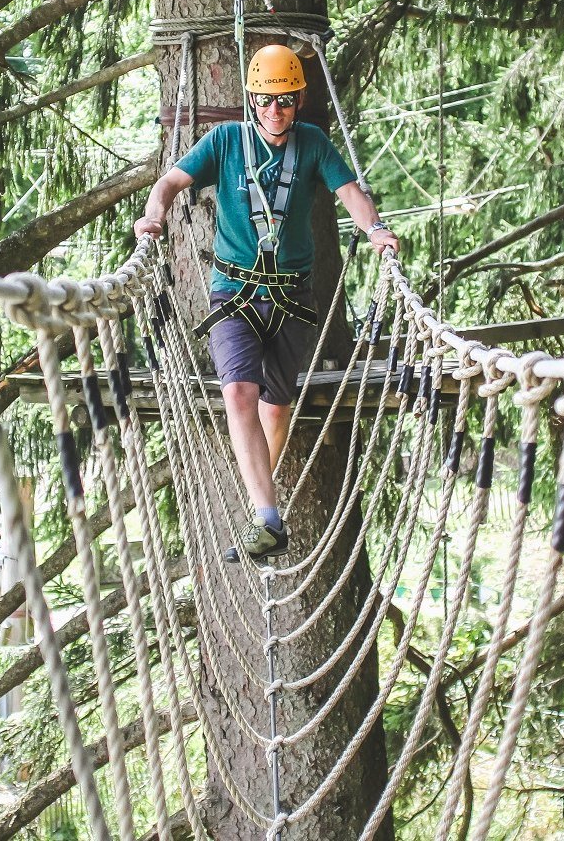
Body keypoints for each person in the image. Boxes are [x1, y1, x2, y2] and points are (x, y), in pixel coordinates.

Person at [135, 43, 399, 561]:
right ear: (251, 101)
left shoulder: (313, 144)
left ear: (297, 101)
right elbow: (170, 182)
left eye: (283, 101)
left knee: (275, 405)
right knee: (238, 393)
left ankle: (260, 496)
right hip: (233, 292)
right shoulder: (226, 141)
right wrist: (154, 216)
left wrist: (376, 230)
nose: (273, 110)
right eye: (263, 101)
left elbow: (351, 192)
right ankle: (268, 516)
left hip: (290, 297)